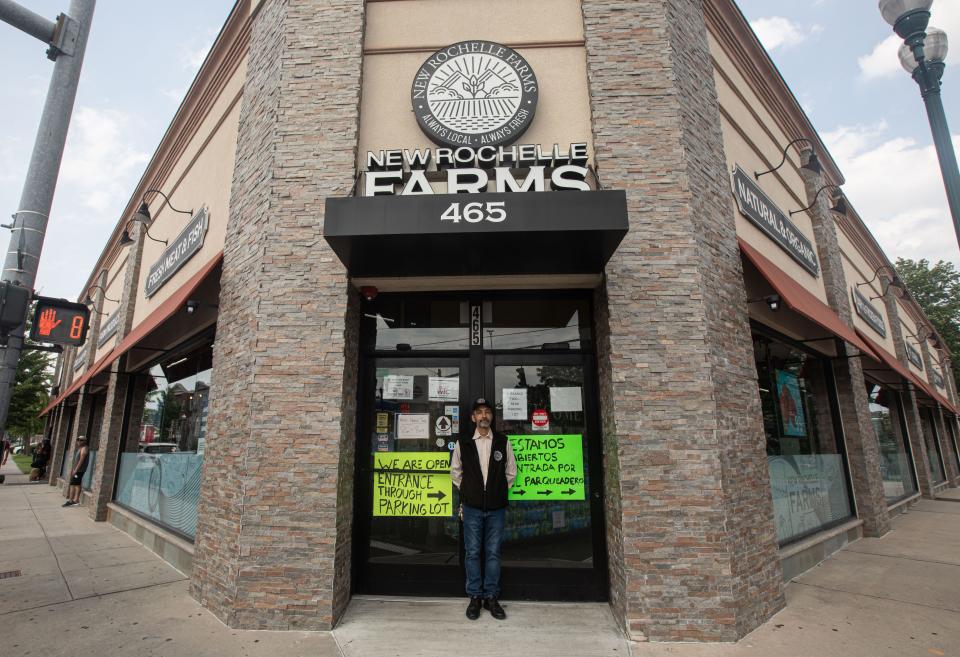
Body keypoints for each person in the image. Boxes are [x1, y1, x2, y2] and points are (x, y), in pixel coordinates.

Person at [450, 397, 516, 621]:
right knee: (472, 553)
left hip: (496, 509)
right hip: (472, 509)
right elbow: (455, 472)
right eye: (479, 412)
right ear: (473, 417)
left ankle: (491, 597)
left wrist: (496, 491)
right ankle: (475, 597)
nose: (484, 416)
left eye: (487, 411)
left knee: (493, 553)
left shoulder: (502, 441)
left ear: (491, 416)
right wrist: (471, 492)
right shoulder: (463, 443)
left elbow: (511, 472)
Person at [63, 437, 89, 507]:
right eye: (78, 440)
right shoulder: (80, 448)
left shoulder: (84, 448)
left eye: (81, 440)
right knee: (76, 484)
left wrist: (76, 470)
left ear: (85, 441)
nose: (79, 441)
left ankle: (72, 500)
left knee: (73, 484)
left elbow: (81, 460)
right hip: (77, 470)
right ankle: (75, 500)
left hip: (79, 471)